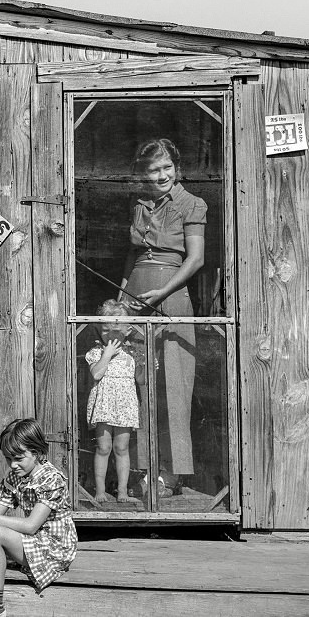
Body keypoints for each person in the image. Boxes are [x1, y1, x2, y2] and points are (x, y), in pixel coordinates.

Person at [119, 139, 205, 495]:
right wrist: (121, 298)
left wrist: (164, 292)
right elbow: (131, 256)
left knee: (175, 386)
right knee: (136, 386)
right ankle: (141, 470)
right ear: (142, 173)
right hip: (136, 299)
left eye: (167, 167)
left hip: (172, 299)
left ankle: (172, 473)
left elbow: (195, 259)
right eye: (154, 169)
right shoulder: (138, 206)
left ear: (178, 167)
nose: (162, 175)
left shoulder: (192, 204)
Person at [0, 419, 77, 617]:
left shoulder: (52, 479)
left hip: (52, 547)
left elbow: (30, 526)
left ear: (36, 452)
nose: (13, 464)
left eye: (18, 458)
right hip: (31, 542)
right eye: (8, 458)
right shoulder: (15, 476)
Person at [85, 299, 140, 505]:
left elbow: (142, 379)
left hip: (124, 405)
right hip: (104, 405)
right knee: (103, 448)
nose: (109, 334)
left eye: (116, 329)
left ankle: (122, 490)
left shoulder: (132, 354)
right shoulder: (96, 353)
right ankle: (100, 490)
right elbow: (97, 374)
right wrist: (106, 355)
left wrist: (148, 364)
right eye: (105, 329)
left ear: (127, 329)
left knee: (122, 448)